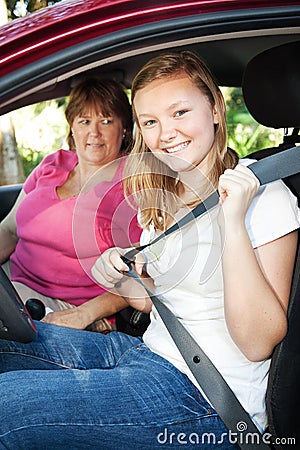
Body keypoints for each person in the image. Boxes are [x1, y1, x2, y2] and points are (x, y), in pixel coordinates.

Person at [0, 51, 299, 449]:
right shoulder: (163, 195)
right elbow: (153, 302)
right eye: (151, 122)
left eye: (179, 112)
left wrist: (232, 222)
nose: (166, 134)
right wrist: (123, 274)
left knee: (7, 408)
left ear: (214, 108)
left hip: (205, 400)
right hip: (143, 354)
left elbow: (258, 342)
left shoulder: (265, 196)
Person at [0, 78, 141, 332]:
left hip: (68, 309)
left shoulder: (131, 184)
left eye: (106, 121)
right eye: (84, 121)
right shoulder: (53, 163)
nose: (94, 133)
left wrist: (84, 315)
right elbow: (9, 230)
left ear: (124, 129)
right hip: (11, 282)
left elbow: (142, 276)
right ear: (72, 127)